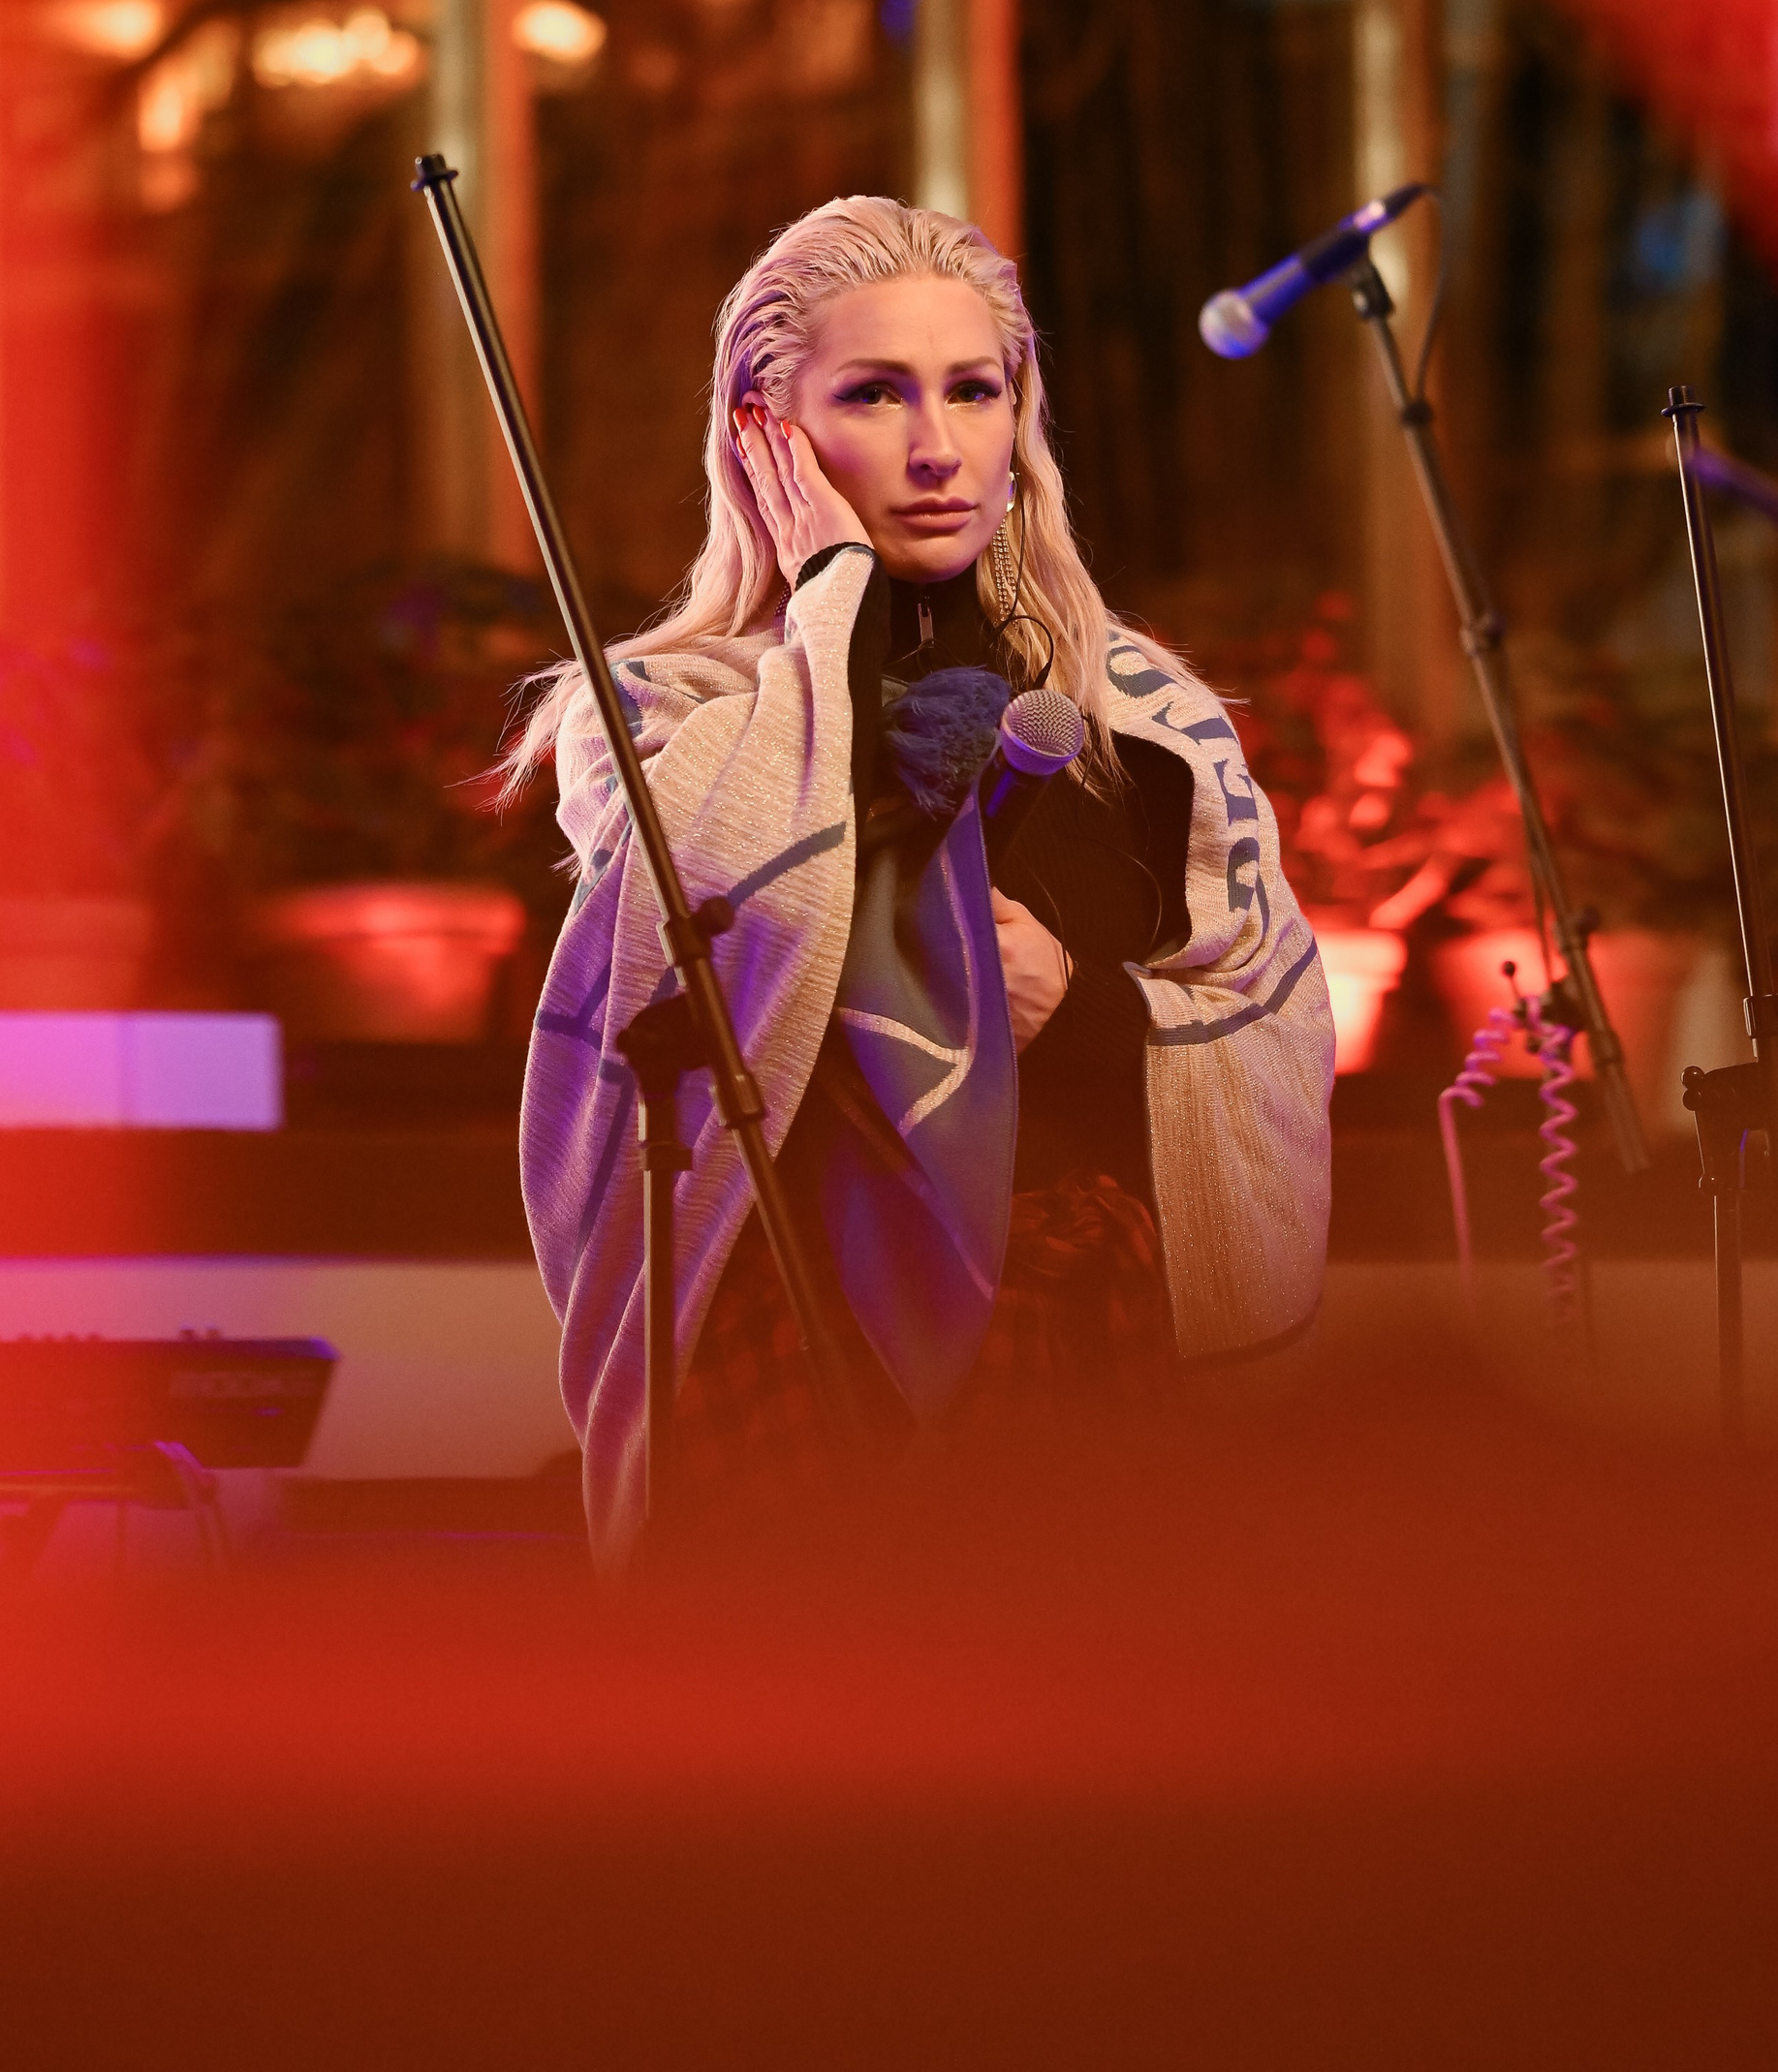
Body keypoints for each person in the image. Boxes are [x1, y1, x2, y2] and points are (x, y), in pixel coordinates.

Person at [512, 197, 1333, 1564]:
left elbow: (1267, 1025)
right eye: (875, 394)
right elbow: (725, 937)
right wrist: (833, 589)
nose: (938, 446)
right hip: (790, 1354)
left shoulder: (1147, 721)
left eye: (973, 389)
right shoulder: (661, 713)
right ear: (766, 436)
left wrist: (1085, 1006)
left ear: (1022, 417)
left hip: (1087, 1354)